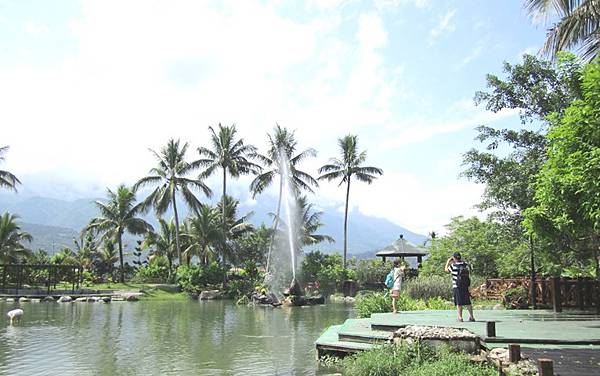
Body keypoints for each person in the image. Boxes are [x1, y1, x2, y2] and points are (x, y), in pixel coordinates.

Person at [445, 252, 475, 322]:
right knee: (468, 302)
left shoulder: (453, 266)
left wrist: (448, 262)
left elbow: (446, 270)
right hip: (465, 285)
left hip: (457, 286)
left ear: (454, 258)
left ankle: (460, 317)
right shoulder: (465, 265)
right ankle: (471, 317)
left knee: (459, 302)